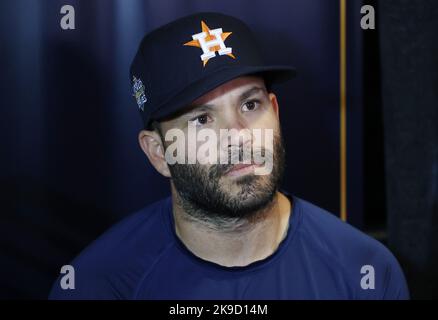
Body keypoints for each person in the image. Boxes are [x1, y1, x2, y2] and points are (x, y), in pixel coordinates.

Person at [49, 12, 409, 299]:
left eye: (250, 104)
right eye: (202, 119)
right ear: (158, 153)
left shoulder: (365, 272)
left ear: (276, 112)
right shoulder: (100, 284)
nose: (237, 134)